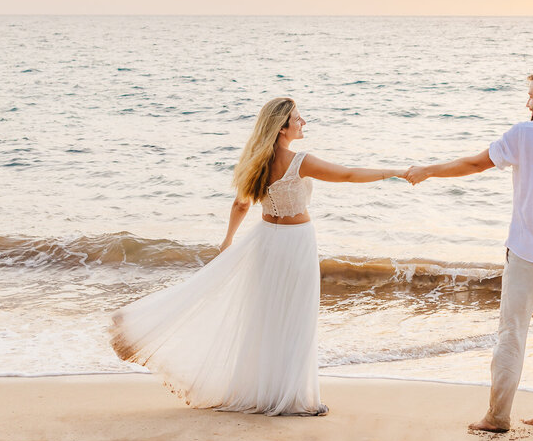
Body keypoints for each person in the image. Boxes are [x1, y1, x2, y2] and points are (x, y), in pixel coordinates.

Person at [109, 97, 399, 415]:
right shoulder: (299, 161)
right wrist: (394, 172)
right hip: (296, 242)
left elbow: (241, 205)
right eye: (298, 119)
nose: (304, 123)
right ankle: (294, 400)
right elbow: (346, 175)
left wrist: (227, 241)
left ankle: (266, 394)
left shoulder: (255, 159)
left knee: (266, 318)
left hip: (265, 241)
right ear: (281, 127)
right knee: (296, 319)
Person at [405, 69, 533, 433]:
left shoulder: (524, 134)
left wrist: (429, 171)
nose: (527, 101)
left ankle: (497, 417)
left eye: (531, 95)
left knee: (512, 333)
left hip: (528, 250)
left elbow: (474, 164)